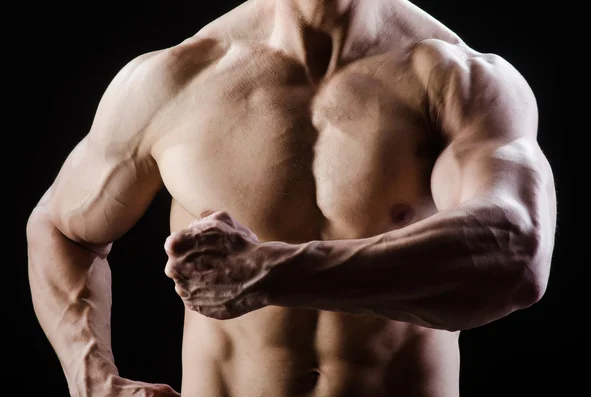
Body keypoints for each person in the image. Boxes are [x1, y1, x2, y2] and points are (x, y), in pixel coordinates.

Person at [26, 0, 557, 396]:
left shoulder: (457, 80)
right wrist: (91, 376)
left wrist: (275, 271)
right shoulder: (175, 80)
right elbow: (60, 226)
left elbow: (515, 251)